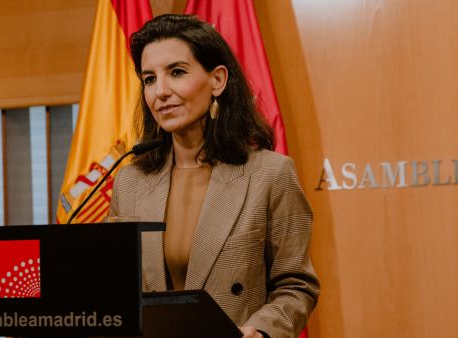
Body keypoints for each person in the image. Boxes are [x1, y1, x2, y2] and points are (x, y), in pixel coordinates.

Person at [108, 14, 319, 338]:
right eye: (149, 79)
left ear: (217, 80)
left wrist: (261, 330)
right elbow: (116, 285)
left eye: (176, 72)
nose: (160, 91)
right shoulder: (130, 182)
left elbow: (296, 285)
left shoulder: (270, 174)